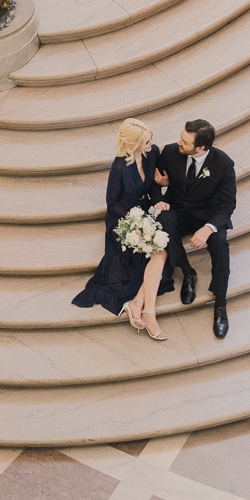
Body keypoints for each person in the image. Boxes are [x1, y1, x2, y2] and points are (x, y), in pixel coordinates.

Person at [72, 118, 173, 339]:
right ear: (132, 145)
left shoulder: (153, 152)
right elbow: (112, 202)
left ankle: (138, 304)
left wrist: (158, 195)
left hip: (144, 211)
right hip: (123, 219)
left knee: (162, 253)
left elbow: (155, 183)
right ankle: (145, 310)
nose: (152, 143)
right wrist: (133, 223)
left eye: (150, 138)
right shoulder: (119, 166)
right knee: (145, 259)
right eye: (146, 141)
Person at [155, 118, 237, 338]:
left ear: (201, 147)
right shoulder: (171, 152)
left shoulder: (223, 164)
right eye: (181, 137)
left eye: (185, 141)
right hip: (178, 210)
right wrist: (160, 194)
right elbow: (154, 183)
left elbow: (228, 204)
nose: (178, 142)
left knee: (220, 244)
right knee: (162, 224)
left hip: (207, 215)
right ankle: (188, 273)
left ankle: (220, 303)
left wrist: (208, 228)